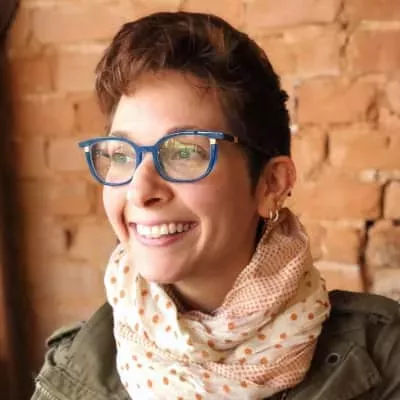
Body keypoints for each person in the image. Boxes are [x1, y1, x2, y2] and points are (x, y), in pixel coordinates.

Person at [31, 11, 400, 400]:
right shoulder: (70, 371)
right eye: (121, 154)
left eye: (184, 152)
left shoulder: (386, 361)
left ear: (271, 184)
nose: (140, 191)